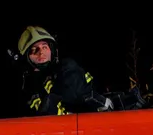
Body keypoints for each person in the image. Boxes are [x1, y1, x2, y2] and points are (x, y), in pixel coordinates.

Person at [14, 25, 143, 116]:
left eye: (44, 47)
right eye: (34, 49)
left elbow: (91, 91)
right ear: (26, 57)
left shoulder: (66, 68)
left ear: (52, 50)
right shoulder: (28, 88)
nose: (41, 52)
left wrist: (106, 101)